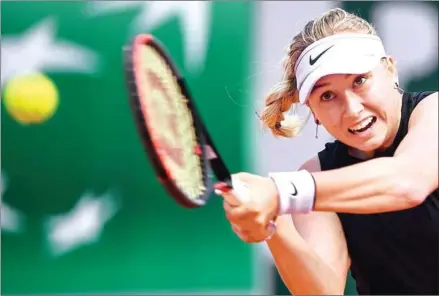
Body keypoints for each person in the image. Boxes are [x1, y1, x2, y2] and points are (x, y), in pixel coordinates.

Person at [214, 8, 438, 295]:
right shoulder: (316, 174)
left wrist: (280, 193)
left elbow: (407, 182)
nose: (352, 110)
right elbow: (322, 291)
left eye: (360, 81)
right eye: (327, 96)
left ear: (390, 68)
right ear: (313, 112)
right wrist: (274, 221)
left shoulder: (434, 112)